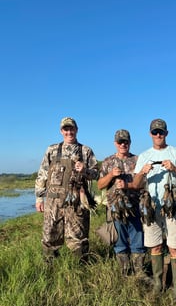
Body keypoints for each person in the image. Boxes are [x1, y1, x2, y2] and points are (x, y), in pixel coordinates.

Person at [133, 119, 176, 300]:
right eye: (155, 132)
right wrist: (142, 172)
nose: (158, 135)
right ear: (150, 134)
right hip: (151, 208)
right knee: (155, 246)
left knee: (174, 247)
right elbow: (135, 185)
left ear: (166, 133)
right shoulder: (144, 156)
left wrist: (174, 169)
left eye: (161, 132)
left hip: (172, 207)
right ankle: (158, 285)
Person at [35, 117, 99, 263]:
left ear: (76, 130)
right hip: (53, 202)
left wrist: (85, 170)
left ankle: (80, 269)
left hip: (77, 201)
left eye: (71, 129)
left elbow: (96, 174)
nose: (69, 132)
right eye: (66, 129)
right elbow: (43, 173)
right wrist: (39, 198)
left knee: (78, 237)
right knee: (50, 235)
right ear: (61, 131)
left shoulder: (86, 151)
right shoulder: (52, 150)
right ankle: (50, 269)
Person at [97, 129, 147, 279]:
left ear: (130, 143)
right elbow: (100, 185)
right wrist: (111, 175)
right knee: (120, 242)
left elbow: (144, 183)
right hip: (115, 208)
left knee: (138, 240)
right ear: (115, 143)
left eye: (126, 141)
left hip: (135, 207)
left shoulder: (138, 160)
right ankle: (125, 274)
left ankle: (139, 272)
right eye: (120, 142)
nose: (123, 144)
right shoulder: (107, 162)